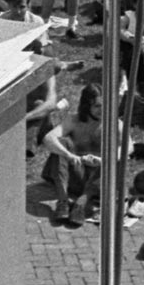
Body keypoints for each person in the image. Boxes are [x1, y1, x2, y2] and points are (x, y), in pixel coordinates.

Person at [42, 84, 104, 225]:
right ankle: (63, 201)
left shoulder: (113, 123)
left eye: (104, 105)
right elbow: (49, 138)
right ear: (86, 106)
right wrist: (70, 155)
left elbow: (128, 149)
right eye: (97, 106)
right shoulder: (73, 120)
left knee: (112, 161)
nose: (102, 110)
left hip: (97, 180)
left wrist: (101, 160)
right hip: (75, 174)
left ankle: (80, 205)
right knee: (62, 143)